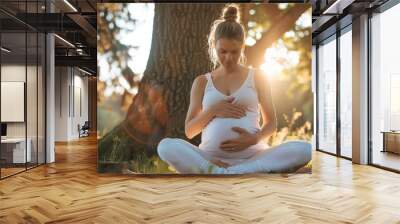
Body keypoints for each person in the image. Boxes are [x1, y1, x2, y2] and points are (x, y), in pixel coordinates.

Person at [157, 4, 311, 174]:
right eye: (222, 51)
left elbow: (271, 124)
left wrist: (253, 139)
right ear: (213, 46)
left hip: (253, 156)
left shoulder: (258, 77)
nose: (228, 57)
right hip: (211, 157)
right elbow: (190, 131)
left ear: (243, 47)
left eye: (234, 52)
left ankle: (220, 172)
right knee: (166, 146)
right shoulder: (201, 82)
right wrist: (213, 110)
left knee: (305, 149)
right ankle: (227, 170)